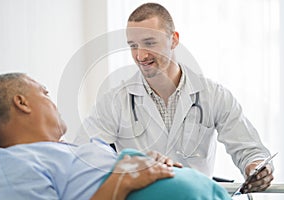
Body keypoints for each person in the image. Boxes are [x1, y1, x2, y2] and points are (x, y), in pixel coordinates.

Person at [74, 2, 274, 194]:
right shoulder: (115, 100)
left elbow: (249, 149)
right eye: (133, 45)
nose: (140, 55)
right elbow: (84, 156)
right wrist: (129, 166)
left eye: (149, 43)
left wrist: (256, 168)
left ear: (174, 39)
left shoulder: (214, 95)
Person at [0, 73, 232, 200]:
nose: (53, 102)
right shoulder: (12, 162)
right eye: (44, 93)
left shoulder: (62, 150)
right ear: (21, 103)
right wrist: (122, 180)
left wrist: (143, 161)